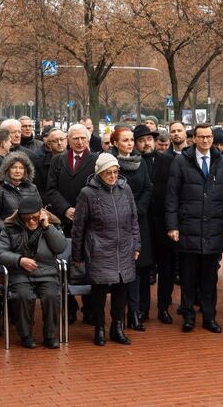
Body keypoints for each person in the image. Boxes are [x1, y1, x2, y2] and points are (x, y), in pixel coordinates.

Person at [166, 123, 223, 333]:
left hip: (213, 230)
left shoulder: (222, 163)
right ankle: (188, 316)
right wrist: (172, 226)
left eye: (208, 137)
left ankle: (209, 317)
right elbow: (172, 196)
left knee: (209, 279)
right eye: (201, 137)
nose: (205, 140)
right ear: (193, 139)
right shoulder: (181, 162)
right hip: (188, 229)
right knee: (188, 278)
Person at [72, 154, 141, 346]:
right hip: (100, 248)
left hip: (124, 247)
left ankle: (117, 328)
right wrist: (77, 254)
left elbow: (134, 219)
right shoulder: (88, 193)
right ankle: (99, 329)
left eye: (115, 172)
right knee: (99, 292)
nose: (112, 176)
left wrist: (137, 244)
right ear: (99, 173)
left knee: (121, 290)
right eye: (108, 173)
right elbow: (78, 226)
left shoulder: (125, 189)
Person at [0, 198, 66, 348]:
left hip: (47, 273)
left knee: (52, 296)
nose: (32, 221)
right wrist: (19, 260)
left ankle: (50, 336)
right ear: (20, 216)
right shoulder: (11, 228)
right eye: (27, 218)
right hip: (20, 274)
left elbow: (60, 247)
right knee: (22, 296)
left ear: (42, 214)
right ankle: (25, 335)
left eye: (35, 217)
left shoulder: (52, 225)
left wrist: (47, 227)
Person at [110, 126, 153, 332]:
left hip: (139, 220)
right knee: (121, 269)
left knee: (137, 268)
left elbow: (147, 187)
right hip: (117, 220)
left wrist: (140, 209)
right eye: (125, 140)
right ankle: (118, 314)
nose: (129, 143)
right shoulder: (110, 162)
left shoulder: (141, 162)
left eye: (130, 140)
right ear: (115, 143)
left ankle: (134, 313)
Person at [136, 124, 175, 323]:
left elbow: (175, 192)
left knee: (166, 267)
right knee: (143, 268)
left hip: (164, 222)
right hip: (141, 223)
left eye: (149, 139)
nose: (146, 143)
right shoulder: (133, 162)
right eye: (141, 140)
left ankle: (164, 307)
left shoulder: (169, 161)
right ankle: (142, 308)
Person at [0, 151, 42, 234]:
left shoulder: (33, 188)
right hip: (9, 236)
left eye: (21, 168)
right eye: (14, 167)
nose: (18, 171)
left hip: (31, 235)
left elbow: (40, 211)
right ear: (7, 169)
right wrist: (6, 230)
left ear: (26, 170)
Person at [35, 128, 67, 195]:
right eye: (55, 141)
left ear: (66, 141)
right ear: (49, 144)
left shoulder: (76, 160)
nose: (59, 143)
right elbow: (39, 190)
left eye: (62, 139)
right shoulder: (40, 164)